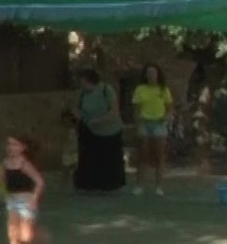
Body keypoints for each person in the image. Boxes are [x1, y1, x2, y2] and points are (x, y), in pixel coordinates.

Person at [73, 69, 126, 194]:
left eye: (83, 80)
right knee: (90, 158)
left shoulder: (106, 90)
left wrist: (99, 121)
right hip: (90, 130)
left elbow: (114, 111)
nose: (81, 83)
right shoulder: (82, 93)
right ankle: (89, 185)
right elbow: (77, 108)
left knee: (110, 158)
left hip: (110, 130)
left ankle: (111, 186)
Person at [0, 135, 44, 244]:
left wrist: (34, 199)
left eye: (14, 144)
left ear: (22, 148)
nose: (10, 147)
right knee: (12, 235)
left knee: (26, 237)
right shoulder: (6, 163)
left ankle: (40, 234)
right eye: (9, 144)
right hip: (12, 201)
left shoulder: (24, 163)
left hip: (26, 201)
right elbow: (1, 178)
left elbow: (39, 182)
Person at [131, 64, 173, 196]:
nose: (151, 75)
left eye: (153, 72)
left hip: (159, 124)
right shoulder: (140, 89)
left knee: (159, 156)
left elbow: (170, 107)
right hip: (145, 123)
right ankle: (139, 186)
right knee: (142, 156)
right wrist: (138, 124)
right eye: (148, 72)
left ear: (158, 74)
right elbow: (136, 109)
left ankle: (159, 187)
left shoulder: (163, 89)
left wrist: (166, 117)